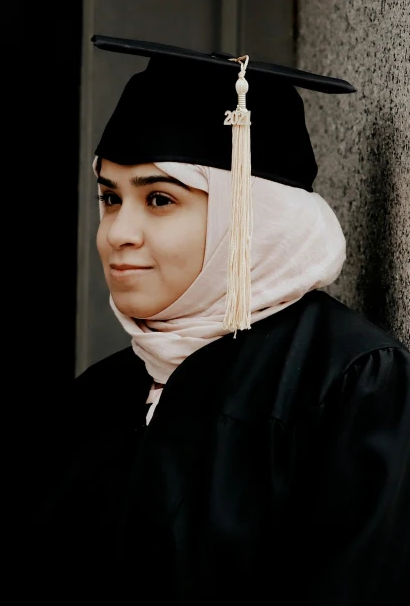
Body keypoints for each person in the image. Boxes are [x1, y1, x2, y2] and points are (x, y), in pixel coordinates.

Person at [32, 35, 410, 605]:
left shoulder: (351, 385)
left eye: (159, 199)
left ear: (251, 217)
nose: (118, 234)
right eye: (109, 198)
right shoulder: (101, 396)